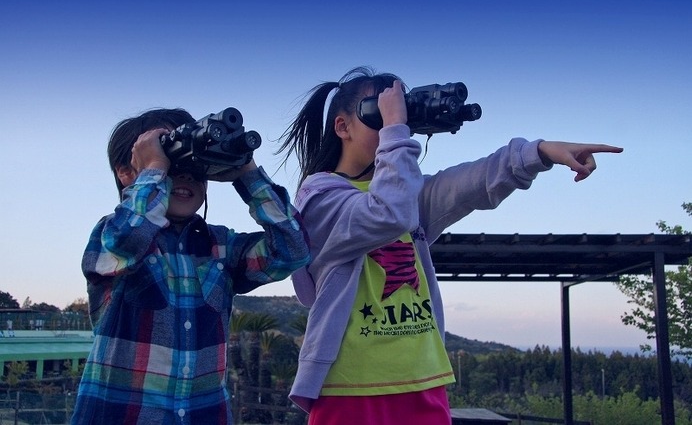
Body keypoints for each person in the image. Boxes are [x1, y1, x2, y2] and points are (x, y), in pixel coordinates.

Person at [277, 66, 623, 425]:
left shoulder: (409, 193)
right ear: (342, 126)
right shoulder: (321, 200)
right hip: (352, 387)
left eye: (399, 117)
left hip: (424, 380)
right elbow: (388, 214)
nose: (393, 126)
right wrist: (396, 129)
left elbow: (474, 182)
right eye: (378, 115)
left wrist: (540, 153)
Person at [72, 108, 310, 425]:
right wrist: (156, 168)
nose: (185, 175)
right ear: (127, 173)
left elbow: (293, 249)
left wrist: (247, 173)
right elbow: (128, 240)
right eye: (173, 163)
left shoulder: (222, 248)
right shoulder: (110, 237)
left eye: (194, 167)